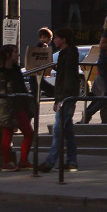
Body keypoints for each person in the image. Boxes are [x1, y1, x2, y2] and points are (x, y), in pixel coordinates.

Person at [38, 27, 79, 173]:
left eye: (56, 38)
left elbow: (67, 79)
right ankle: (72, 161)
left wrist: (61, 99)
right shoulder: (66, 54)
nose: (54, 40)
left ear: (64, 39)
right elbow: (63, 79)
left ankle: (50, 161)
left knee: (58, 128)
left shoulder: (69, 55)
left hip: (67, 96)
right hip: (66, 96)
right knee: (67, 130)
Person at [0, 44, 36, 172]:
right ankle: (7, 163)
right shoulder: (0, 73)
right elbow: (0, 92)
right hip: (8, 107)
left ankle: (23, 161)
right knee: (8, 135)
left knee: (28, 133)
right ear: (7, 55)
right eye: (15, 52)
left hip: (19, 106)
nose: (17, 55)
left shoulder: (16, 70)